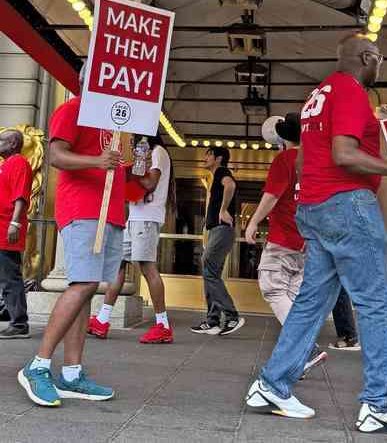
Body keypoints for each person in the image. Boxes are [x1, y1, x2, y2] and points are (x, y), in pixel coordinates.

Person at [245, 33, 387, 435]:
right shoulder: (349, 91)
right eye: (378, 59)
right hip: (347, 207)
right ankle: (379, 404)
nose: (380, 66)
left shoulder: (320, 94)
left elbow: (325, 153)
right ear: (367, 57)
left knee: (312, 301)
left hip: (316, 208)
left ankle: (272, 385)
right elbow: (344, 154)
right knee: (375, 302)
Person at [18, 65, 125, 407]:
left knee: (88, 287)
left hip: (109, 213)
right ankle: (38, 366)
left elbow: (120, 171)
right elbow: (56, 156)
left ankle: (72, 373)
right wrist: (98, 159)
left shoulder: (117, 123)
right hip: (82, 210)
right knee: (80, 285)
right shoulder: (73, 108)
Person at [246, 113, 327, 372]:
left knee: (272, 288)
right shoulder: (317, 161)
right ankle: (293, 359)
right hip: (308, 240)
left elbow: (272, 196)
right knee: (292, 296)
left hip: (283, 238)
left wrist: (253, 221)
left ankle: (306, 349)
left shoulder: (285, 159)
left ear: (284, 137)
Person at [88, 130, 175, 344]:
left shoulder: (157, 152)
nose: (133, 140)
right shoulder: (149, 153)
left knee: (147, 267)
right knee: (118, 265)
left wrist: (132, 168)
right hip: (136, 217)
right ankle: (102, 319)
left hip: (146, 218)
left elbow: (149, 183)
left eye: (135, 137)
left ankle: (163, 325)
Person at [191, 146, 245, 336]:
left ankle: (231, 316)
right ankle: (212, 321)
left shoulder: (222, 172)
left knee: (209, 270)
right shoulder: (215, 177)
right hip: (217, 231)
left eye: (209, 155)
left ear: (219, 159)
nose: (205, 158)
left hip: (222, 230)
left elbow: (230, 185)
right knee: (210, 273)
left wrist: (223, 210)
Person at [0, 130, 33, 339]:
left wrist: (14, 223)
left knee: (10, 277)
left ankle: (19, 324)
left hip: (6, 228)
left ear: (12, 143)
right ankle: (11, 315)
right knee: (5, 276)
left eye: (1, 140)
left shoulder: (18, 162)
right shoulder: (7, 164)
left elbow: (20, 195)